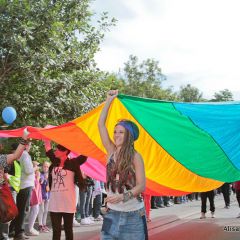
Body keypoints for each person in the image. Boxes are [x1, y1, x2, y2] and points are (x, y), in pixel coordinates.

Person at [98, 90, 147, 240]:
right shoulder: (111, 151)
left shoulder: (136, 156)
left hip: (133, 216)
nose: (116, 135)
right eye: (115, 132)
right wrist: (109, 100)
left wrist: (122, 197)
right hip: (111, 215)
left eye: (121, 132)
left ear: (129, 136)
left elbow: (141, 186)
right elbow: (100, 124)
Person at [43, 140, 87, 240]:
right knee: (56, 232)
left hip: (68, 203)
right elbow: (48, 148)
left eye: (58, 149)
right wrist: (45, 136)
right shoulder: (55, 161)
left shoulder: (73, 163)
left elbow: (85, 155)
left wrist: (81, 140)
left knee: (68, 230)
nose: (55, 151)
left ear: (65, 151)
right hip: (55, 203)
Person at [0, 130, 29, 240]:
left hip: (2, 197)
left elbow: (17, 155)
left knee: (4, 223)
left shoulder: (1, 159)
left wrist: (24, 138)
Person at [10, 142, 37, 240]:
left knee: (20, 209)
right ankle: (19, 233)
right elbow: (28, 170)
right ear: (26, 145)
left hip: (21, 185)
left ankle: (13, 230)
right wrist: (36, 167)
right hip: (26, 185)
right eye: (29, 144)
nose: (30, 146)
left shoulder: (18, 153)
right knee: (23, 210)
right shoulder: (25, 154)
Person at [26, 161, 42, 236]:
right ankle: (30, 228)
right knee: (34, 210)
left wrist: (39, 177)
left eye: (37, 165)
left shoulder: (36, 174)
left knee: (36, 210)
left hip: (36, 193)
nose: (37, 167)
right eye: (35, 165)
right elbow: (33, 184)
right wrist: (37, 177)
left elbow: (39, 183)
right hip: (33, 193)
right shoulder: (31, 174)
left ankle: (30, 228)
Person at [38, 161, 51, 232]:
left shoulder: (50, 175)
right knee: (41, 210)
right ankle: (40, 225)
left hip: (48, 194)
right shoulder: (40, 174)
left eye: (47, 167)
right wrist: (44, 179)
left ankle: (44, 224)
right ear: (42, 167)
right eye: (44, 166)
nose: (46, 168)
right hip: (42, 194)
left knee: (46, 210)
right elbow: (41, 181)